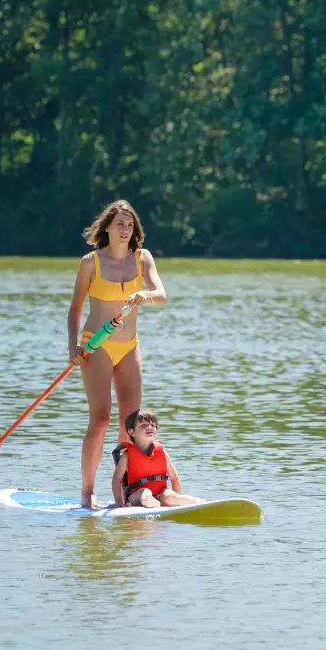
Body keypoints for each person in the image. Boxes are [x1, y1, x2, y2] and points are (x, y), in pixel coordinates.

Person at [68, 199, 167, 509]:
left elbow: (161, 296)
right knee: (100, 418)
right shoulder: (90, 262)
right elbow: (75, 309)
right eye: (120, 224)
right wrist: (73, 346)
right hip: (94, 346)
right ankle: (87, 492)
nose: (126, 229)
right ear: (107, 227)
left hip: (129, 346)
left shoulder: (143, 258)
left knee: (131, 422)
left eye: (130, 224)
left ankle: (125, 490)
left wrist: (145, 295)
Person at [111, 409, 204, 509]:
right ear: (132, 432)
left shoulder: (162, 452)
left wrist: (176, 500)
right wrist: (118, 502)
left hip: (161, 492)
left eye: (153, 425)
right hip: (136, 495)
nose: (149, 427)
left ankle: (196, 501)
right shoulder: (127, 455)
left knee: (170, 496)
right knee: (145, 493)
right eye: (143, 425)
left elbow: (174, 478)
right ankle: (152, 503)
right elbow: (116, 479)